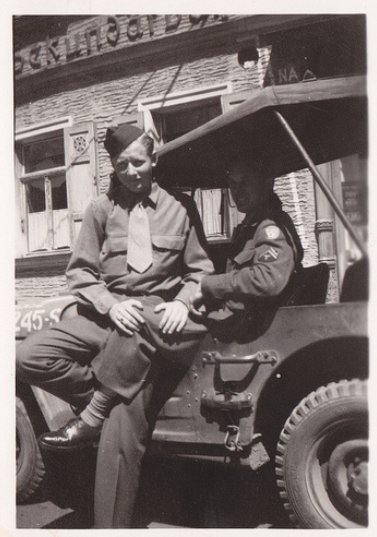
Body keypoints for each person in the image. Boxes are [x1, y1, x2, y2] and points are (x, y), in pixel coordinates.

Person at [16, 124, 214, 522]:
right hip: (107, 318)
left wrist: (181, 301)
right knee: (24, 355)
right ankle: (102, 396)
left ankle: (108, 520)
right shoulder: (100, 210)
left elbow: (200, 271)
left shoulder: (181, 208)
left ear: (154, 159)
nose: (131, 172)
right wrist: (108, 305)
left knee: (120, 436)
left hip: (155, 320)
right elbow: (80, 275)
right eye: (122, 165)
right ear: (113, 165)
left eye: (138, 162)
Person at [191, 155, 303, 336]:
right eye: (233, 183)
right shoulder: (251, 226)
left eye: (245, 182)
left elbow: (267, 279)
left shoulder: (270, 227)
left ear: (267, 183)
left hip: (249, 328)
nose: (237, 191)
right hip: (239, 319)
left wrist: (208, 285)